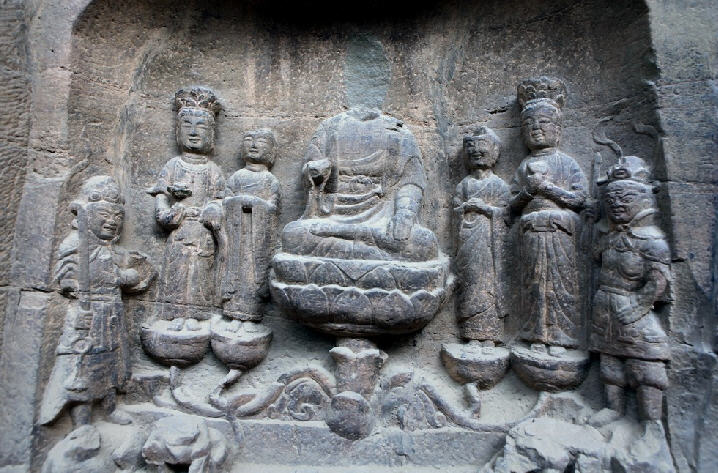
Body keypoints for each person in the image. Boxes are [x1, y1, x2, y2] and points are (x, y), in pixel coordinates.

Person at [39, 175, 154, 426]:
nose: (112, 221)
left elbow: (127, 273)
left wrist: (128, 274)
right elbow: (67, 278)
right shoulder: (76, 245)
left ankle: (109, 408)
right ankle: (82, 423)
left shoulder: (111, 250)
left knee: (112, 362)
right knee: (83, 366)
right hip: (87, 316)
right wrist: (113, 278)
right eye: (104, 215)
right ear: (88, 214)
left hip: (111, 313)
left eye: (117, 217)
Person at [589, 156, 671, 422]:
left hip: (632, 308)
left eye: (625, 198)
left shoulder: (651, 240)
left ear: (643, 200)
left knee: (646, 366)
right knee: (609, 362)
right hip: (605, 306)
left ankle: (651, 425)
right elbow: (593, 256)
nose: (616, 204)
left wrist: (638, 305)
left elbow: (658, 280)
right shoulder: (609, 236)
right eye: (611, 199)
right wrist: (591, 222)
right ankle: (614, 409)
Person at [510, 77, 588, 352]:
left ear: (558, 129)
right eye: (529, 125)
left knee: (561, 285)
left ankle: (561, 338)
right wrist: (529, 191)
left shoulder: (566, 163)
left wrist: (547, 188)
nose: (536, 129)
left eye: (543, 122)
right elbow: (512, 204)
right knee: (533, 285)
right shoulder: (524, 166)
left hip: (560, 232)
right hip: (531, 232)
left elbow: (579, 198)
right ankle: (536, 336)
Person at [149, 86, 225, 326]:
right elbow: (160, 197)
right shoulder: (173, 165)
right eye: (187, 126)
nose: (193, 132)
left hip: (202, 232)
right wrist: (167, 213)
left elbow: (219, 200)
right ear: (177, 130)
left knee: (201, 273)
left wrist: (212, 211)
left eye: (200, 127)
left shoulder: (213, 170)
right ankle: (173, 315)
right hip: (179, 229)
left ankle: (197, 316)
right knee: (177, 271)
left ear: (211, 133)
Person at [454, 127, 509, 343]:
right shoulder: (464, 185)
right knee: (470, 283)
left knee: (488, 285)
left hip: (490, 243)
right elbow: (455, 210)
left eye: (482, 147)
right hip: (468, 241)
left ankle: (490, 337)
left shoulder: (499, 185)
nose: (476, 152)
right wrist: (465, 208)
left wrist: (485, 209)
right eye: (472, 148)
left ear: (494, 151)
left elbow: (506, 214)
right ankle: (471, 335)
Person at [221, 128, 280, 321]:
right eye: (249, 140)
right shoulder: (237, 177)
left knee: (254, 277)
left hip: (258, 239)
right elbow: (225, 202)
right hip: (236, 236)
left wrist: (254, 204)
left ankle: (251, 316)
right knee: (234, 273)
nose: (254, 145)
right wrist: (238, 202)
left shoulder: (270, 180)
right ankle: (232, 313)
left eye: (260, 141)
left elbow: (272, 208)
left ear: (271, 150)